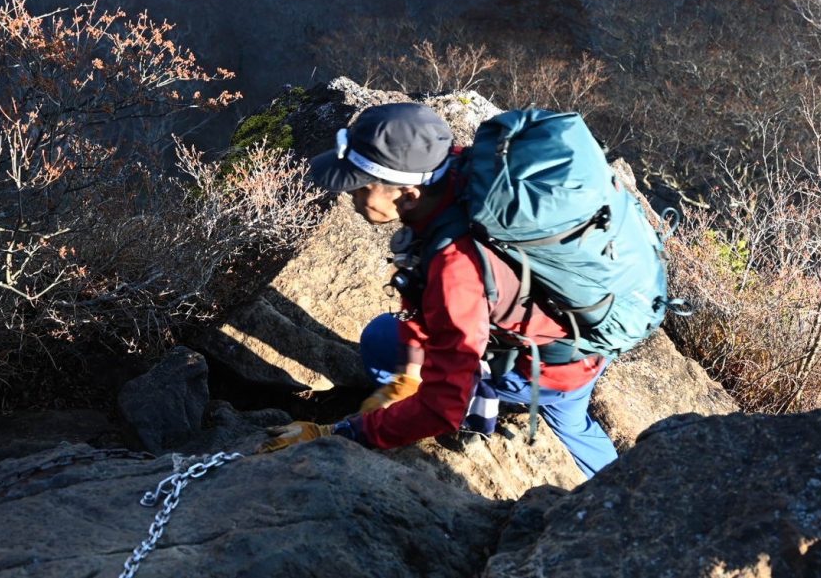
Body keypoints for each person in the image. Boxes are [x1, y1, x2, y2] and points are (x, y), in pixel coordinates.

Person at [257, 103, 618, 477]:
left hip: (551, 370)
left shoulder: (456, 268)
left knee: (386, 349)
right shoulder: (458, 173)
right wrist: (410, 374)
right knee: (385, 338)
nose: (351, 197)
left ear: (408, 194)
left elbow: (443, 402)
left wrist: (341, 433)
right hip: (580, 333)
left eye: (360, 187)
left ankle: (606, 486)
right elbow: (419, 282)